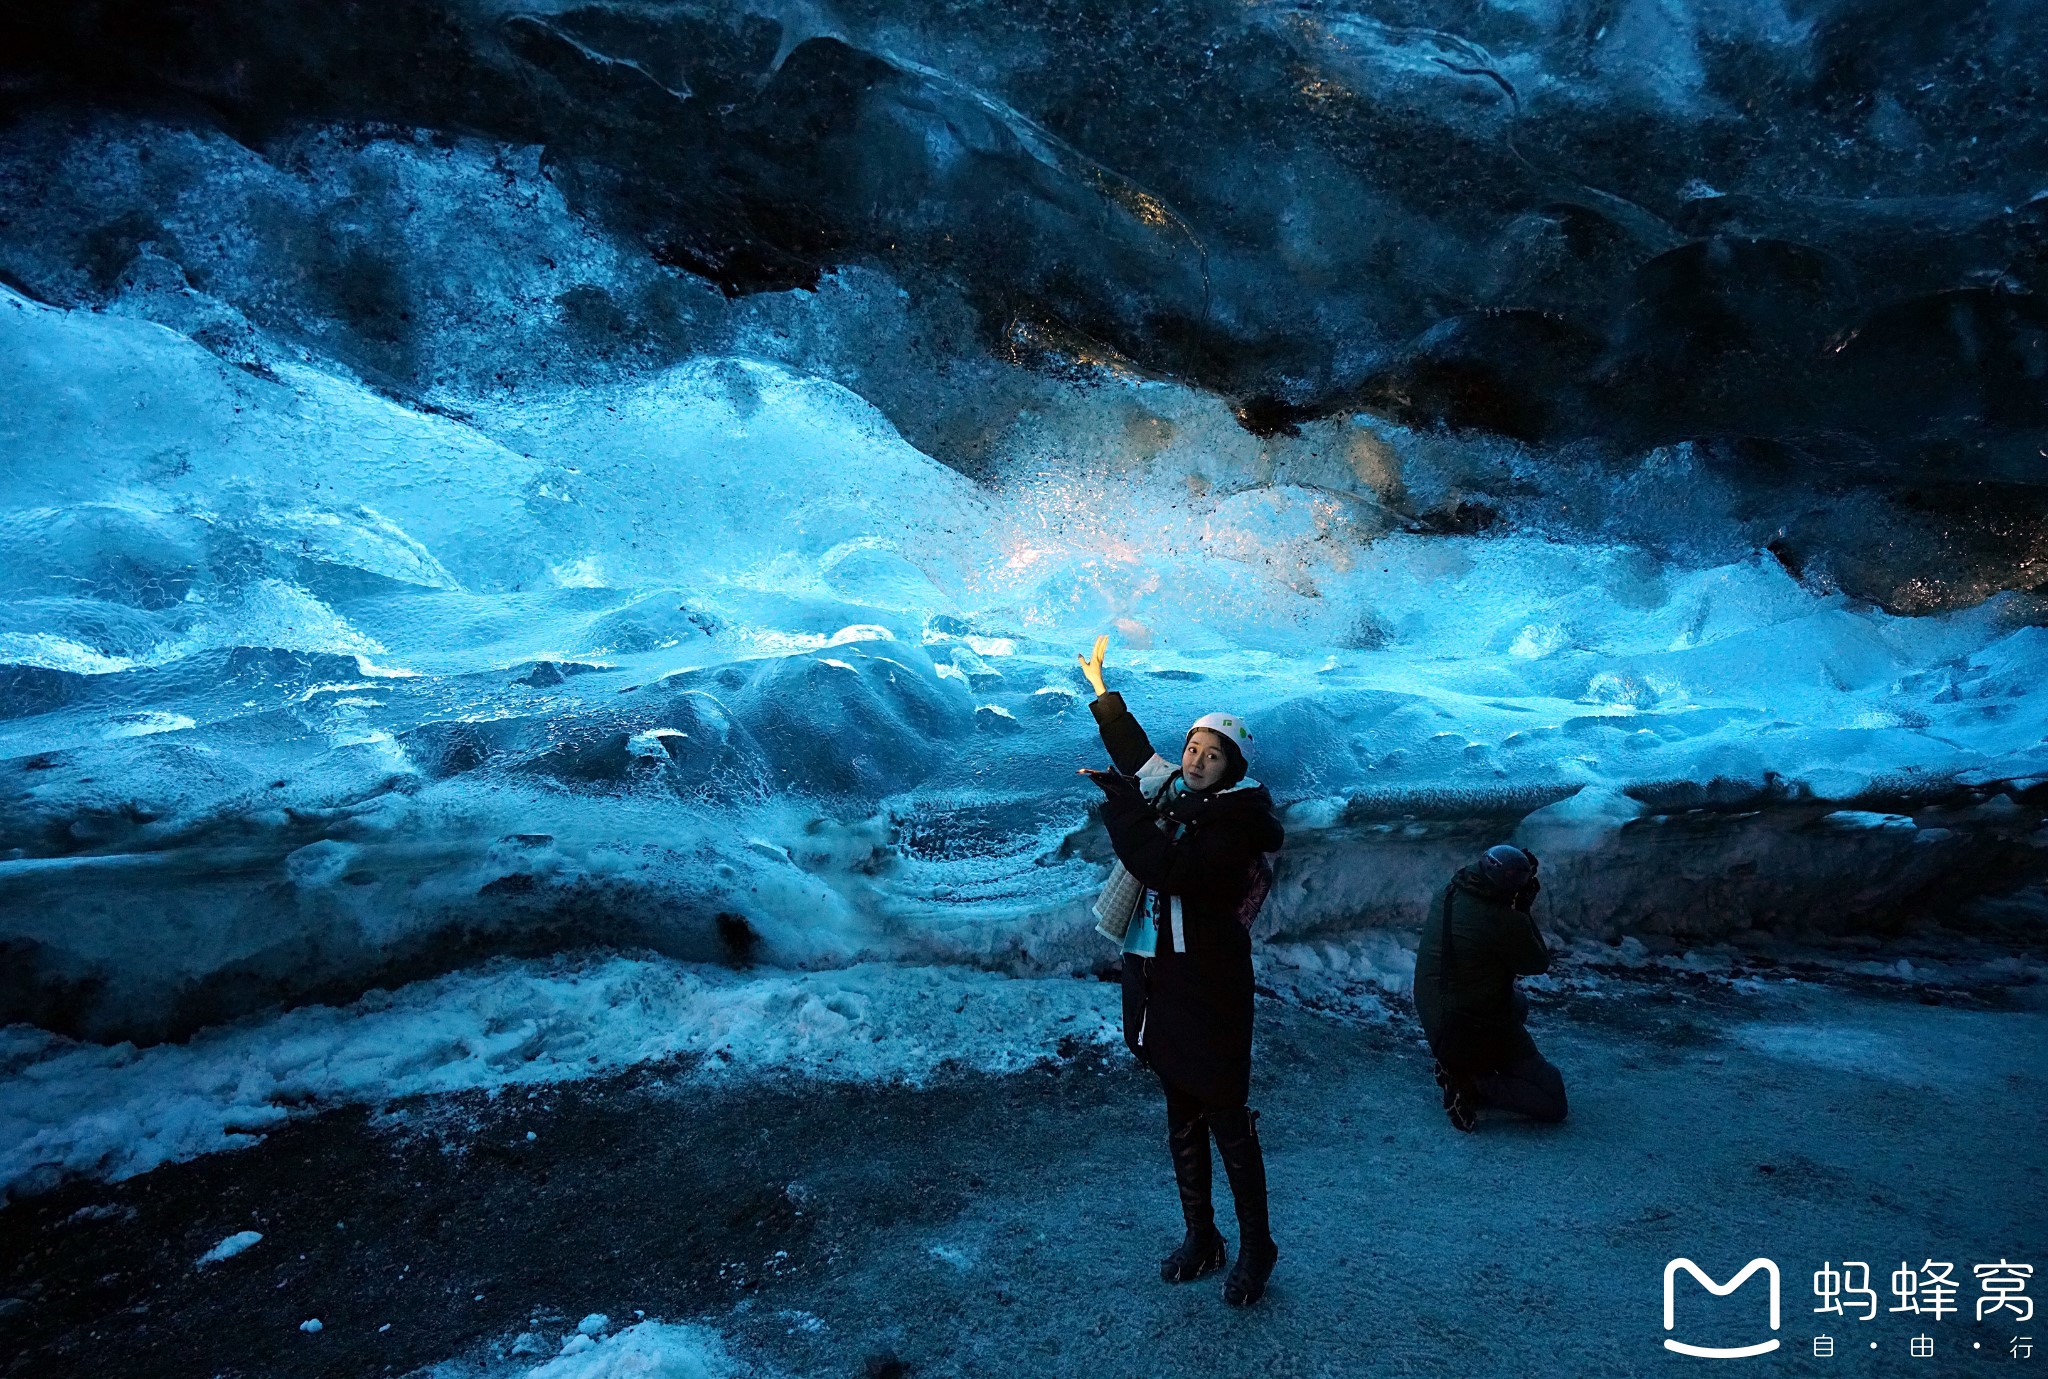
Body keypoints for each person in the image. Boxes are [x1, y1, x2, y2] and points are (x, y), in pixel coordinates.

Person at [1075, 635, 1285, 1307]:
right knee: (1180, 1111)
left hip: (1210, 991)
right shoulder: (1178, 794)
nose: (1196, 760)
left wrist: (1123, 808)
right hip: (1163, 978)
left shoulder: (1233, 827)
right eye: (1193, 747)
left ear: (1232, 767)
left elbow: (1166, 869)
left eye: (1212, 754)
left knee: (1225, 1114)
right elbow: (1141, 759)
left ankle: (1257, 1247)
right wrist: (1105, 696)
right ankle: (1203, 1234)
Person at [1411, 843, 1568, 1131]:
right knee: (1553, 1098)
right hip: (1470, 1023)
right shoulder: (1503, 921)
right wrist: (1523, 909)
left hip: (1435, 1009)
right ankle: (1473, 1083)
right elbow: (1537, 963)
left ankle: (1464, 1063)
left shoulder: (1449, 891)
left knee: (1519, 1003)